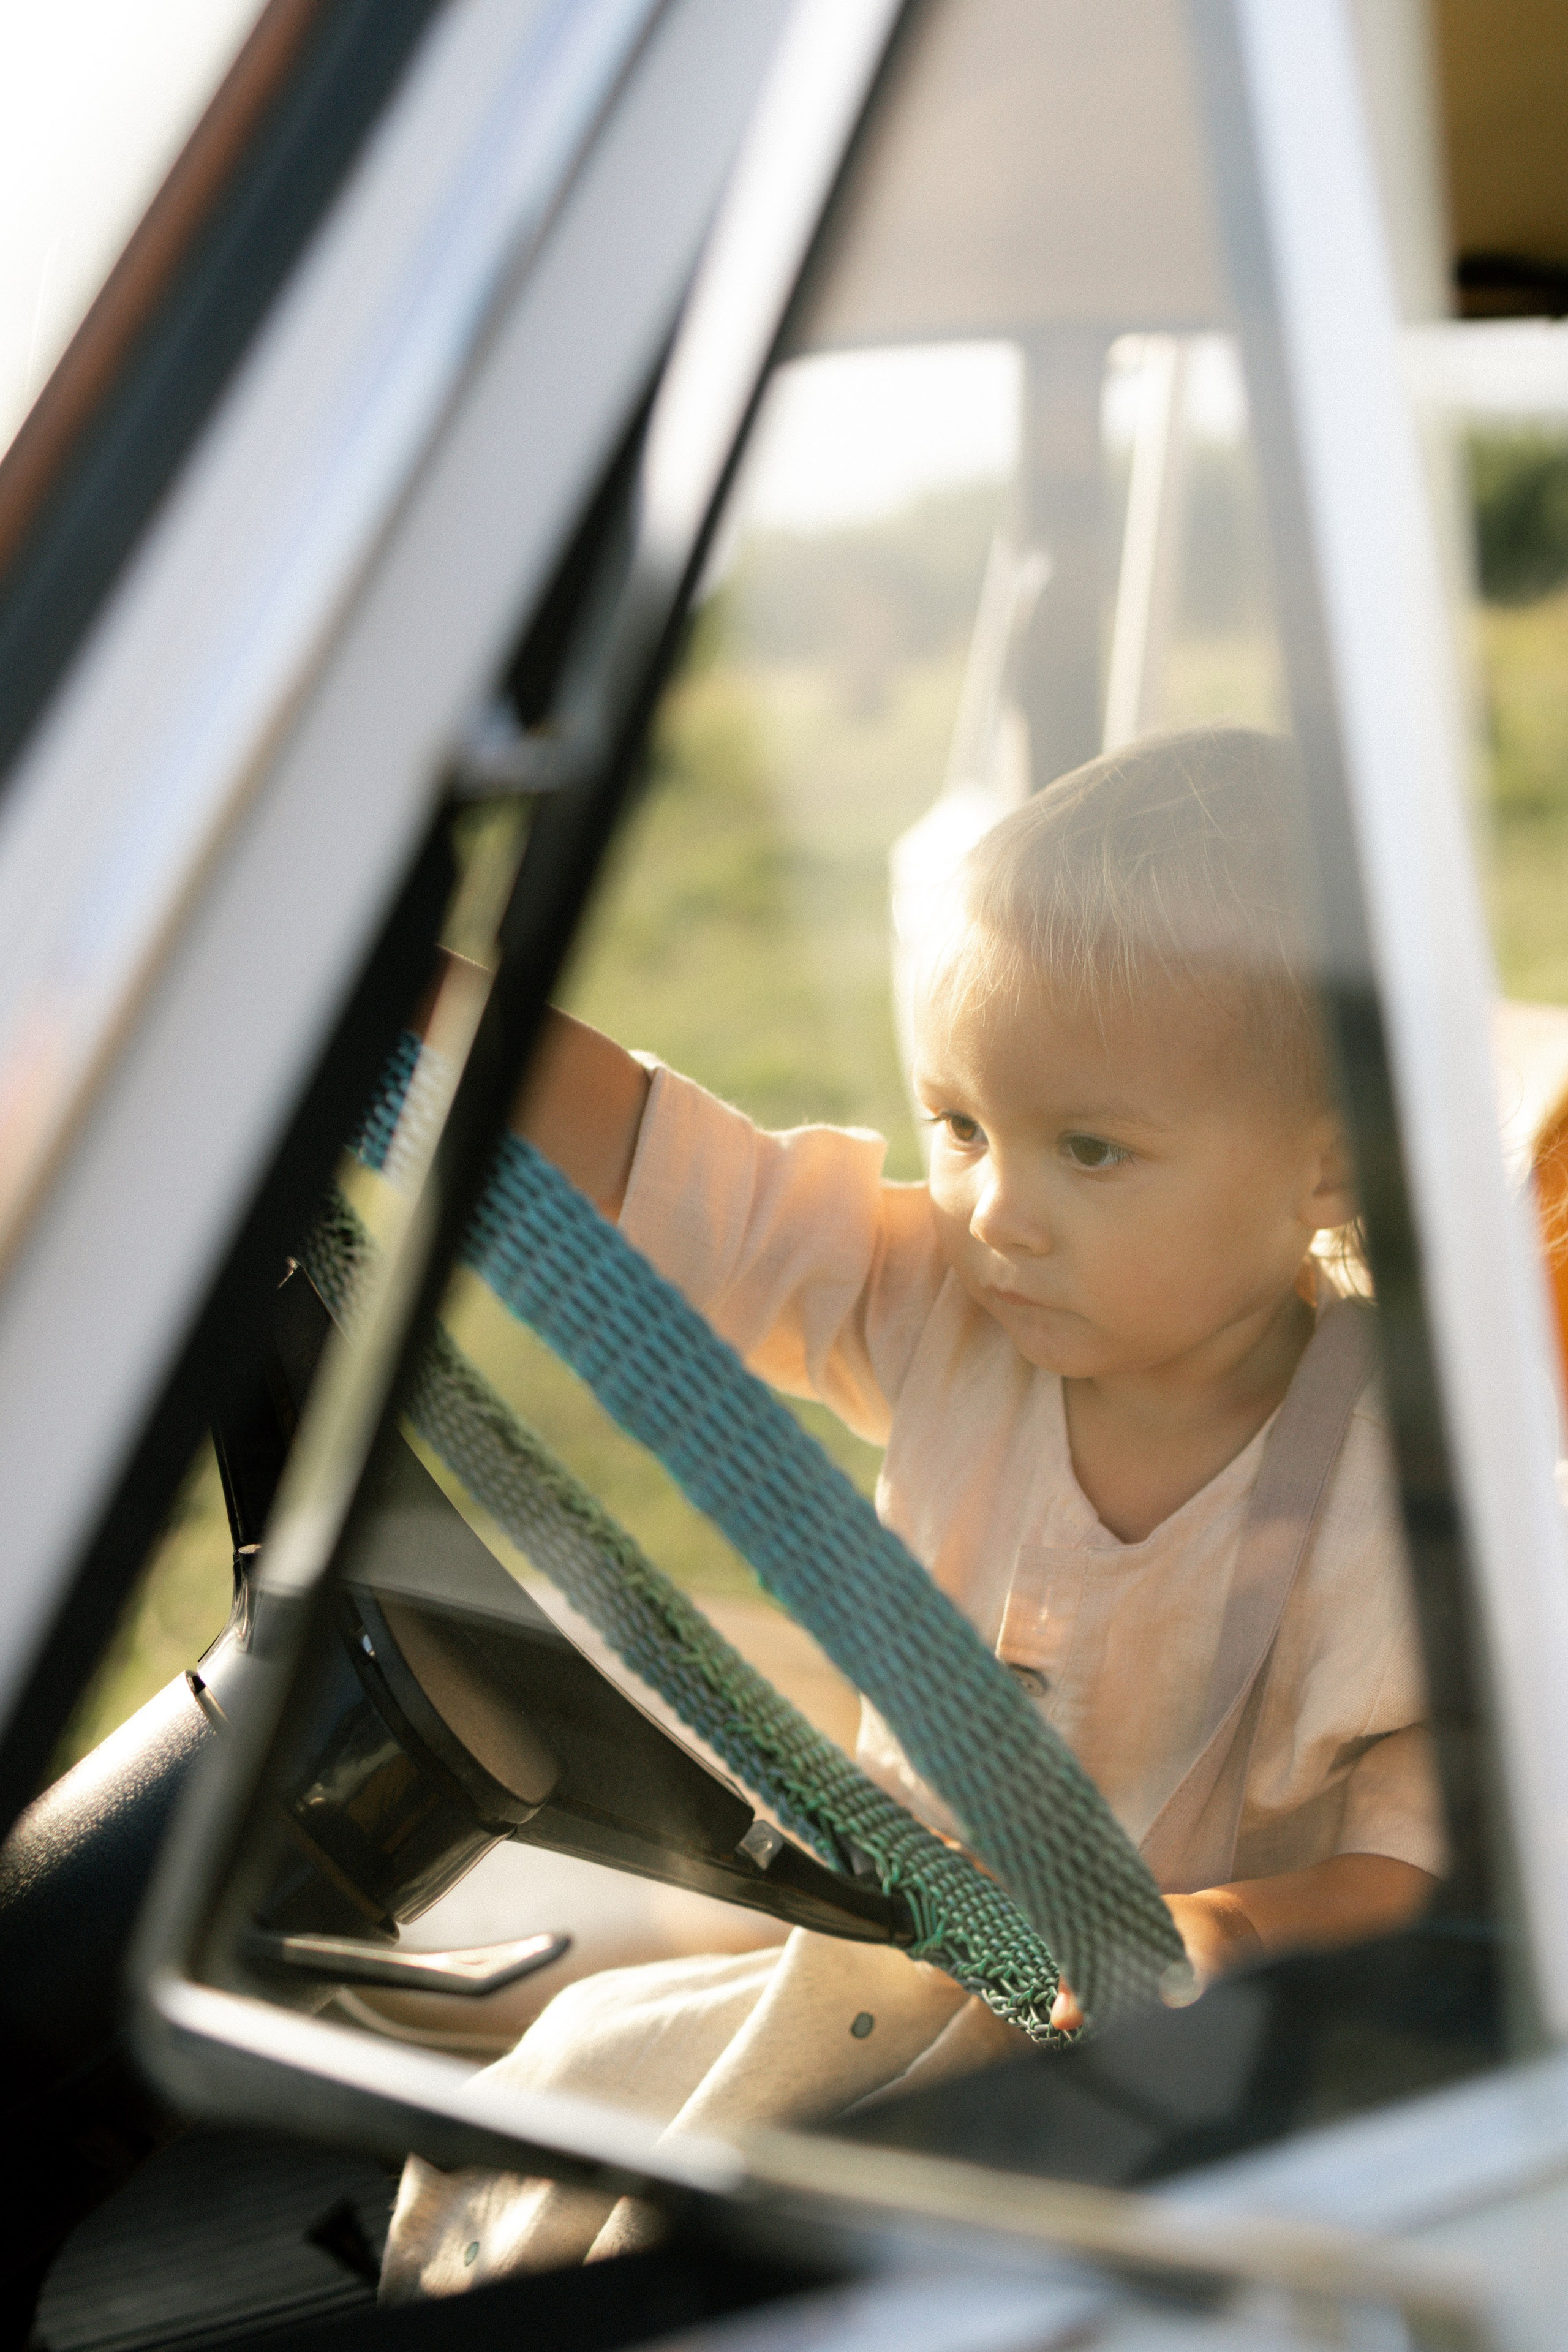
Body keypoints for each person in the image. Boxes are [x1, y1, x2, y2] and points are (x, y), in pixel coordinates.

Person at [380, 725, 1443, 2294]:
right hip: (869, 1970)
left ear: (1327, 1166)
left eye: (1089, 1148)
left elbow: (1416, 1874)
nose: (997, 1213)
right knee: (553, 2107)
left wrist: (1220, 1932)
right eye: (960, 1126)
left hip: (1133, 2113)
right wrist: (402, 997)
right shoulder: (949, 1312)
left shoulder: (1388, 1483)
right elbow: (680, 1186)